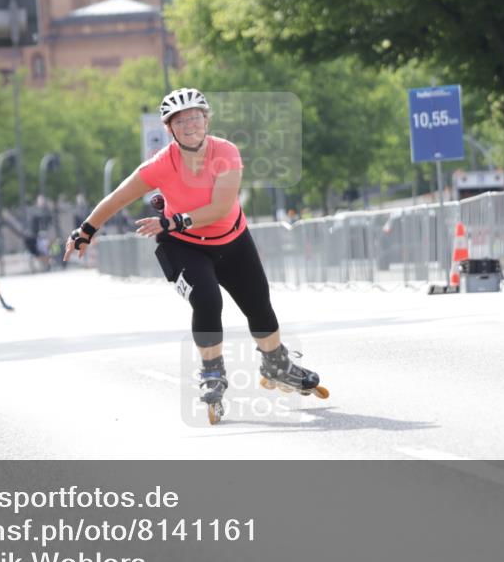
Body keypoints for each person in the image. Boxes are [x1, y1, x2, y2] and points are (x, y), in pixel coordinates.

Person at [63, 88, 326, 424]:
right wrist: (85, 230)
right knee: (207, 300)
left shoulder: (226, 152)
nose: (189, 125)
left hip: (232, 240)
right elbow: (118, 198)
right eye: (180, 120)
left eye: (195, 117)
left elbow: (221, 206)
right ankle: (212, 371)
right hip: (184, 245)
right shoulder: (161, 164)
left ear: (206, 120)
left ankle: (275, 363)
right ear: (169, 129)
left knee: (259, 304)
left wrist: (173, 220)